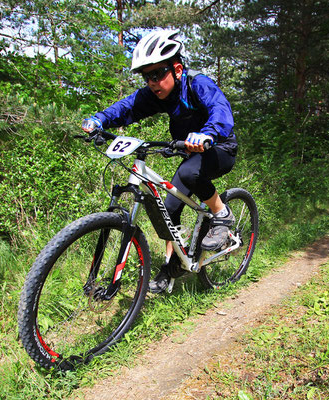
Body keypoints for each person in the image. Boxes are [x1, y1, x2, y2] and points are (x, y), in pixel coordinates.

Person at [81, 29, 238, 293]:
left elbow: (220, 110)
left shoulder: (197, 84)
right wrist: (99, 120)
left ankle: (222, 215)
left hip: (220, 148)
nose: (152, 82)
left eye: (157, 74)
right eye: (146, 76)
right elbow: (128, 107)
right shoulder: (156, 95)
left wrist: (207, 134)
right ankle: (171, 267)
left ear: (176, 69)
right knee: (170, 210)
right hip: (191, 154)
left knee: (189, 174)